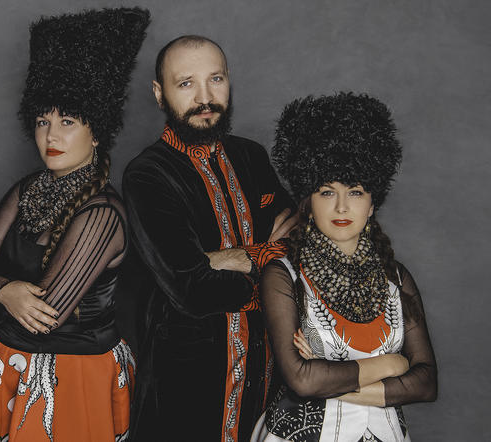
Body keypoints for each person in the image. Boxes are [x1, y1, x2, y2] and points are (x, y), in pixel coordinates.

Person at [0, 7, 150, 441]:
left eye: (67, 122)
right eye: (43, 121)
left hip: (71, 379)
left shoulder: (102, 214)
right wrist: (5, 291)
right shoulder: (30, 187)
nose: (51, 136)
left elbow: (44, 315)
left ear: (96, 131)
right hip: (9, 365)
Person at [122, 35, 298, 442]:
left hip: (268, 375)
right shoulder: (148, 174)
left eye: (215, 79)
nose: (206, 97)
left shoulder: (252, 156)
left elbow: (300, 248)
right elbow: (191, 289)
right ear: (159, 93)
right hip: (185, 386)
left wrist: (223, 257)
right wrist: (265, 261)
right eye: (186, 84)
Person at [251, 92, 437, 441]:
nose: (340, 207)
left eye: (354, 192)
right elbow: (301, 379)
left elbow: (426, 382)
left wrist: (330, 377)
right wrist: (392, 365)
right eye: (326, 191)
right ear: (307, 202)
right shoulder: (283, 275)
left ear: (372, 204)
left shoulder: (396, 278)